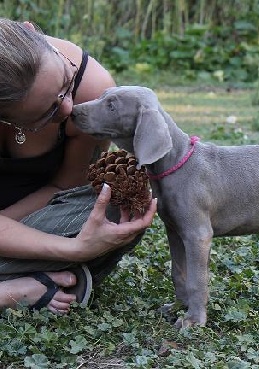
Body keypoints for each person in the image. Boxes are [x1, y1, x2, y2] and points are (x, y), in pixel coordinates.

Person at [0, 18, 157, 314]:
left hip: (38, 216)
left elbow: (64, 186)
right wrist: (76, 250)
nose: (69, 109)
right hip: (31, 234)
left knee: (119, 203)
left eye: (66, 83)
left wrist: (9, 228)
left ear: (31, 30)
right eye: (45, 114)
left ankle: (30, 275)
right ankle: (12, 289)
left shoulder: (93, 86)